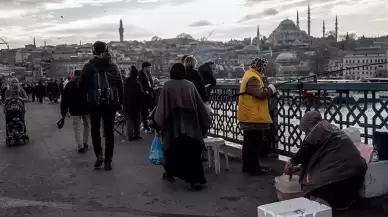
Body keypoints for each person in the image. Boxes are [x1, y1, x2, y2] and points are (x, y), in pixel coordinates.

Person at [284, 111, 367, 210]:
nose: (305, 134)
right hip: (358, 170)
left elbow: (305, 149)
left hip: (341, 174)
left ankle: (323, 206)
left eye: (305, 131)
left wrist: (290, 163)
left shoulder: (318, 128)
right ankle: (343, 203)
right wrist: (299, 167)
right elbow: (324, 155)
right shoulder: (331, 128)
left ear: (310, 126)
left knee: (315, 187)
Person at [154, 63, 212, 191]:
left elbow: (161, 109)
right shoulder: (190, 85)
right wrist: (205, 121)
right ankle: (195, 179)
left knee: (172, 150)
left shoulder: (167, 86)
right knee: (192, 153)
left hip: (173, 126)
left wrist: (158, 124)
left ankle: (170, 173)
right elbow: (200, 106)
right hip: (190, 125)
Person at [78, 41, 123, 171]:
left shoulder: (88, 66)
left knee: (95, 129)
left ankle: (99, 154)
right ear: (106, 50)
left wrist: (84, 102)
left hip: (94, 103)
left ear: (93, 51)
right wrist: (120, 102)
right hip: (110, 102)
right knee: (109, 131)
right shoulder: (113, 66)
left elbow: (80, 86)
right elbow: (120, 86)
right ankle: (108, 160)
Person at [237, 58, 277, 176]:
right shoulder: (253, 77)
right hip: (252, 115)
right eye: (263, 67)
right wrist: (272, 89)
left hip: (250, 114)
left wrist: (265, 81)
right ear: (260, 67)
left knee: (249, 141)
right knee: (253, 142)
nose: (264, 69)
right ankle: (254, 168)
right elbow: (261, 93)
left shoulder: (251, 74)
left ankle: (248, 166)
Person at [61, 70, 90, 153]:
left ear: (74, 75)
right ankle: (85, 142)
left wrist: (64, 111)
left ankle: (80, 145)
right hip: (86, 108)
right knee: (87, 125)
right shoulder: (87, 84)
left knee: (77, 127)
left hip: (75, 109)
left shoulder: (69, 85)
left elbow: (64, 99)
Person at [123, 66, 144, 141]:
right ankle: (136, 133)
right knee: (137, 119)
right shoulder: (137, 83)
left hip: (127, 103)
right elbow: (141, 93)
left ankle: (130, 135)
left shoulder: (126, 81)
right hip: (136, 104)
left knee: (129, 119)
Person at [138, 62, 154, 133]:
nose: (150, 69)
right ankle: (145, 126)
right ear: (145, 67)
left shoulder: (148, 74)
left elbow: (151, 83)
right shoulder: (140, 74)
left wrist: (152, 87)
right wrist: (146, 91)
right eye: (149, 67)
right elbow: (141, 85)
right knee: (144, 111)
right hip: (144, 96)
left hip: (149, 94)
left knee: (149, 111)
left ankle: (148, 126)